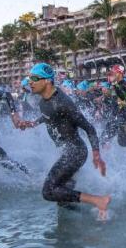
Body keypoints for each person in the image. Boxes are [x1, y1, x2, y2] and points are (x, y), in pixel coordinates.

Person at [16, 63, 111, 220]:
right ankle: (84, 225)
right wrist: (32, 123)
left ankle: (99, 201)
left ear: (47, 81)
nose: (30, 82)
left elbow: (89, 128)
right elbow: (49, 116)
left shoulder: (63, 103)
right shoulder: (43, 101)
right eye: (29, 78)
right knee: (62, 199)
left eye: (34, 78)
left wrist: (96, 155)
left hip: (75, 152)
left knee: (48, 191)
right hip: (67, 152)